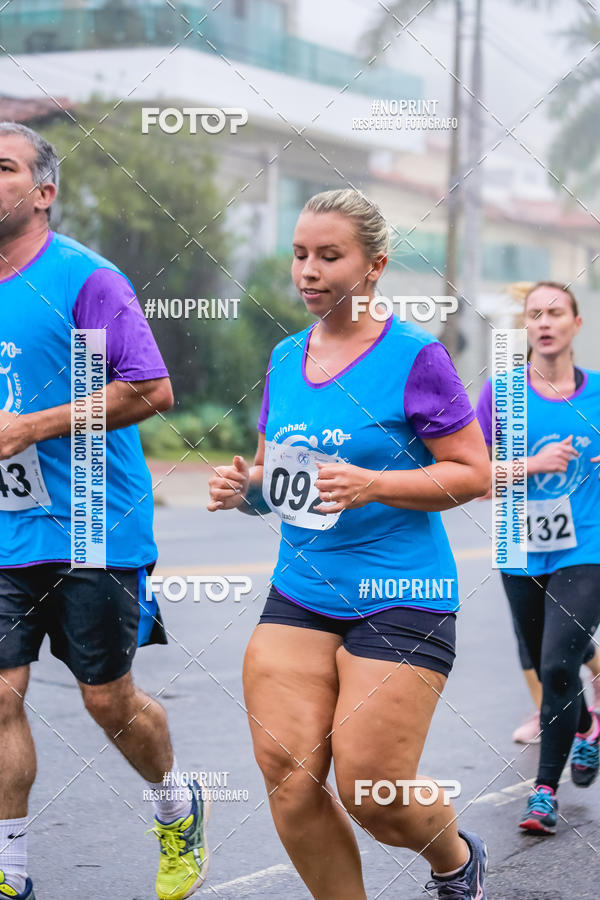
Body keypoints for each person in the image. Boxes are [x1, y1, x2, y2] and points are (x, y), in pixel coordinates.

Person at [208, 189, 491, 899]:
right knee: (286, 775)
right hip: (303, 589)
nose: (308, 270)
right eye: (302, 253)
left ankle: (454, 859)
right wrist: (248, 491)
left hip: (403, 593)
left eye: (329, 256)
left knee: (373, 792)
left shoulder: (415, 356)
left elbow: (473, 474)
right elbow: (285, 480)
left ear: (374, 266)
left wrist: (375, 484)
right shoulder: (283, 358)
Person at [0, 123, 208, 900]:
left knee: (107, 700)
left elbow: (152, 390)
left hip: (94, 523)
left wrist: (29, 426)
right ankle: (11, 868)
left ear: (43, 192)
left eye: (3, 167)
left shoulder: (87, 280)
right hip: (7, 526)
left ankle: (177, 806)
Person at [476, 280, 600, 835]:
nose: (544, 322)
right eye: (534, 314)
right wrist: (533, 465)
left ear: (576, 325)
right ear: (525, 328)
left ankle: (543, 794)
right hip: (519, 546)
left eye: (556, 313)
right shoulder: (501, 395)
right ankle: (589, 725)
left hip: (587, 546)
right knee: (545, 654)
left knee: (555, 664)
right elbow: (473, 477)